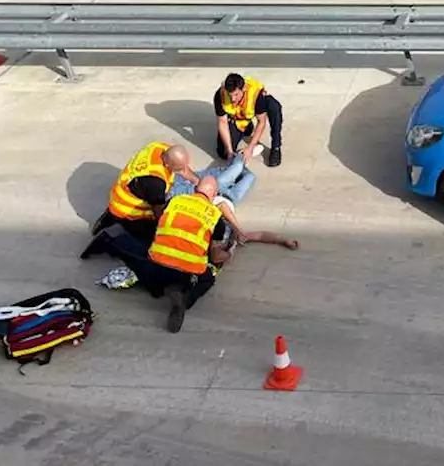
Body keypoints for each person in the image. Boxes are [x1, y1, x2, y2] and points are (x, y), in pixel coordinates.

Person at [167, 149, 299, 254]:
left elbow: (221, 206)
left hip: (215, 189)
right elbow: (260, 235)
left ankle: (241, 155)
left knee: (236, 166)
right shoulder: (235, 237)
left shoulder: (214, 228)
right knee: (250, 177)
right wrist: (284, 240)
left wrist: (237, 229)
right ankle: (240, 166)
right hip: (232, 197)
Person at [145, 176, 230, 333]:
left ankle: (157, 289)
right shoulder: (215, 217)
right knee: (208, 278)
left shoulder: (175, 201)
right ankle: (185, 300)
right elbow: (216, 256)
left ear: (195, 189)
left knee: (156, 259)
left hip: (157, 261)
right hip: (187, 269)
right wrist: (228, 254)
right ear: (214, 194)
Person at [83, 142, 197, 258]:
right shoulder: (155, 182)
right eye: (178, 168)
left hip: (121, 194)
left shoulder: (157, 147)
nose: (182, 170)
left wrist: (196, 181)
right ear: (167, 164)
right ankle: (109, 241)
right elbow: (159, 213)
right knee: (152, 246)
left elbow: (182, 167)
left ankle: (109, 218)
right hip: (128, 211)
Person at [215, 73, 283, 168]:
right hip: (239, 118)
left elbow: (261, 122)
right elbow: (222, 122)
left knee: (274, 107)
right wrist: (230, 152)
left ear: (243, 89)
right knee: (223, 153)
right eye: (230, 95)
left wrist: (250, 148)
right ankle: (246, 128)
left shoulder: (256, 94)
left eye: (236, 95)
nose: (233, 99)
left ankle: (276, 147)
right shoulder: (220, 95)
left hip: (255, 107)